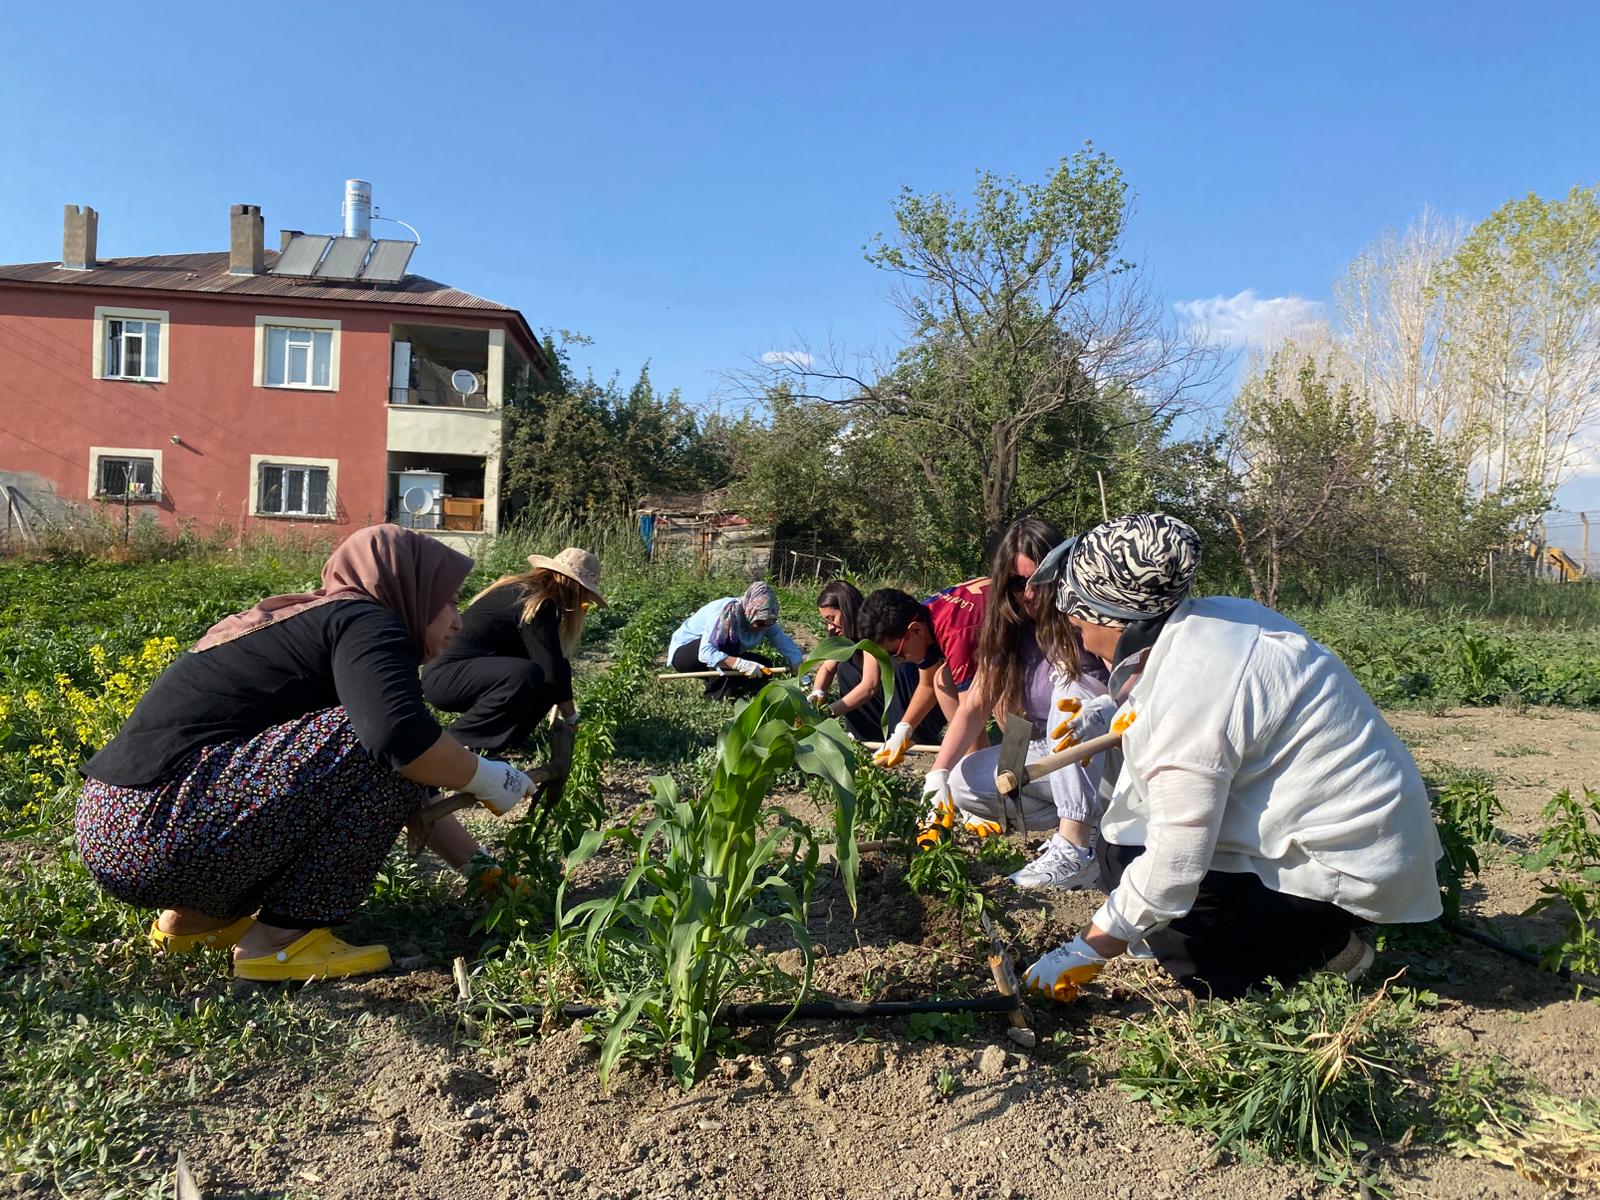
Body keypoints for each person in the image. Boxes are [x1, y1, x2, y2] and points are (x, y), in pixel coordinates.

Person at [75, 525, 537, 983]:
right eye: (448, 600)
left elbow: (411, 781)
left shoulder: (316, 624)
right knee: (381, 739)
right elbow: (397, 741)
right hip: (161, 830)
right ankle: (280, 942)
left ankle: (192, 924)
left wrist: (490, 877)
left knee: (388, 748)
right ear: (408, 588)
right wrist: (489, 776)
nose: (458, 621)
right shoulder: (369, 620)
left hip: (114, 829)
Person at [1019, 513, 1442, 1002]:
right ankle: (1280, 931)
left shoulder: (1194, 684)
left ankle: (1325, 953)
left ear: (1117, 617)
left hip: (1347, 868)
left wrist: (1088, 948)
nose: (1080, 636)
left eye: (1080, 623)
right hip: (1365, 841)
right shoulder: (1222, 618)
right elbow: (1188, 705)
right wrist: (1107, 714)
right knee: (1122, 851)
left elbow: (1175, 864)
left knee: (1164, 905)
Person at [917, 518, 1109, 890]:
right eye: (1019, 584)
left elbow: (1130, 684)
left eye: (1041, 580)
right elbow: (975, 705)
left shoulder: (1085, 618)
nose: (1031, 594)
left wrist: (1107, 707)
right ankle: (1092, 820)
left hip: (1106, 756)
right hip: (1054, 756)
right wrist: (937, 774)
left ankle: (1075, 845)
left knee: (1070, 696)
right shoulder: (1011, 628)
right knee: (965, 781)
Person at [422, 547, 604, 754]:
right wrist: (572, 720)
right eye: (584, 597)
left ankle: (509, 740)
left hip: (454, 675)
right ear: (573, 587)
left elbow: (554, 663)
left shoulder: (521, 589)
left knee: (551, 670)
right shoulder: (537, 602)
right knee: (528, 674)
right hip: (447, 678)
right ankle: (457, 742)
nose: (582, 604)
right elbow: (551, 671)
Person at [855, 575, 991, 768]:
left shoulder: (955, 635)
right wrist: (903, 731)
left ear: (916, 630)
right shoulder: (924, 615)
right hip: (996, 638)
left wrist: (939, 769)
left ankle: (999, 764)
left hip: (1029, 638)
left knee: (1004, 703)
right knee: (942, 680)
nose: (899, 660)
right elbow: (927, 685)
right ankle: (978, 761)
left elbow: (971, 713)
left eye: (897, 653)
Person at [808, 579, 945, 746]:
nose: (830, 627)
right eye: (826, 622)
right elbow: (828, 668)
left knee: (896, 667)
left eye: (832, 619)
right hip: (888, 703)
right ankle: (866, 736)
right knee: (846, 668)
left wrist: (828, 712)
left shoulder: (872, 628)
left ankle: (911, 736)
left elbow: (869, 686)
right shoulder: (845, 636)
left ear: (846, 609)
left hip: (918, 701)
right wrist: (817, 693)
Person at [667, 581, 804, 700]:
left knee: (764, 666)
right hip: (686, 654)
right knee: (728, 646)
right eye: (759, 623)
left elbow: (787, 647)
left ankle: (741, 692)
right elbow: (705, 653)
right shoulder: (726, 614)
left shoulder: (766, 622)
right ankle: (716, 696)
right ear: (750, 611)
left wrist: (801, 673)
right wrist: (739, 664)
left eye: (767, 624)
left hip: (723, 653)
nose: (762, 628)